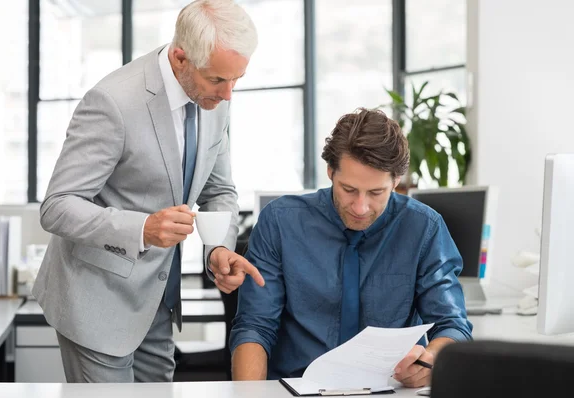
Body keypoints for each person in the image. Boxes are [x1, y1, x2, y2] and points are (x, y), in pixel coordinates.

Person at [32, 0, 265, 383]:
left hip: (158, 302)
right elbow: (57, 207)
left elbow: (219, 189)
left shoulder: (216, 99)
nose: (228, 95)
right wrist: (142, 229)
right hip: (97, 303)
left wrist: (218, 248)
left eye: (237, 79)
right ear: (180, 58)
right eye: (218, 81)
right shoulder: (113, 102)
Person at [230, 108, 473, 388]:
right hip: (294, 387)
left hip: (391, 389)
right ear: (331, 171)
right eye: (348, 189)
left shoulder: (423, 228)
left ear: (396, 181)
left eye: (376, 193)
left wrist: (429, 359)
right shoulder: (280, 222)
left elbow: (452, 325)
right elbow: (254, 326)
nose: (360, 207)